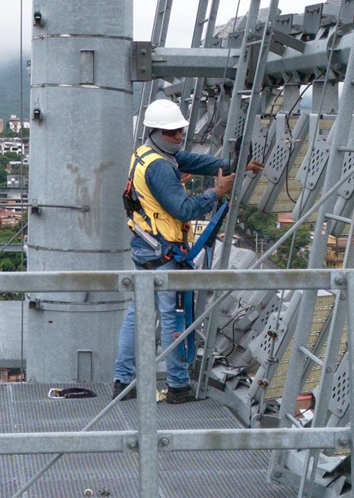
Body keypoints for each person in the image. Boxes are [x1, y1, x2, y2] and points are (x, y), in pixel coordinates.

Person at [113, 99, 264, 404]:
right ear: (156, 132)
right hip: (163, 251)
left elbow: (191, 160)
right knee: (174, 315)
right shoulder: (160, 167)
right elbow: (183, 210)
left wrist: (233, 165)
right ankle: (178, 386)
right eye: (172, 132)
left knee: (137, 314)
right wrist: (216, 192)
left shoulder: (148, 154)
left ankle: (122, 379)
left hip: (147, 247)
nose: (179, 135)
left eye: (180, 130)